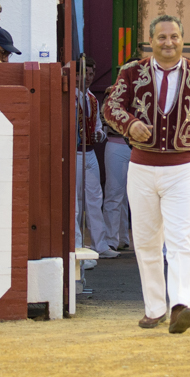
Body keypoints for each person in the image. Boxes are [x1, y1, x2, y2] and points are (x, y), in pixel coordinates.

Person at [102, 15, 190, 334]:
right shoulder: (131, 72)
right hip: (141, 168)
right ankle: (155, 308)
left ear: (183, 40)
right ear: (150, 41)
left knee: (180, 239)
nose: (168, 42)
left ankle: (180, 306)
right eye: (162, 37)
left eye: (174, 36)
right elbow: (110, 107)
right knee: (146, 241)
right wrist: (130, 123)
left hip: (182, 169)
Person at [77, 57, 116, 258]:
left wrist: (99, 135)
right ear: (76, 75)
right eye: (86, 73)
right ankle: (76, 245)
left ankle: (99, 244)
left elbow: (99, 127)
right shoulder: (72, 97)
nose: (89, 78)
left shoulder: (92, 98)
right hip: (75, 152)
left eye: (92, 74)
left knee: (94, 198)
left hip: (89, 152)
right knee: (76, 202)